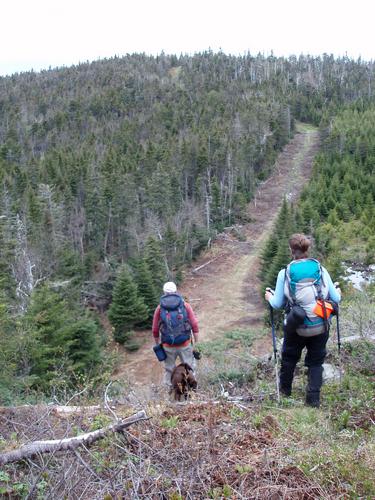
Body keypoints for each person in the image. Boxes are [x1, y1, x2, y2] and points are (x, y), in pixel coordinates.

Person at [264, 234, 341, 407]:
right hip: (320, 324)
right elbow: (336, 298)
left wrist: (269, 296)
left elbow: (277, 303)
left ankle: (284, 394)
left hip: (296, 324)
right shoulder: (321, 269)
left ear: (291, 251)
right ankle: (313, 400)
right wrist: (337, 290)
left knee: (289, 359)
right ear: (307, 250)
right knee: (316, 362)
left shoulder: (285, 272)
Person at [152, 281, 199, 389]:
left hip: (167, 346)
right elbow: (195, 325)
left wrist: (158, 344)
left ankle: (171, 395)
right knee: (189, 368)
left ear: (164, 292)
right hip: (185, 344)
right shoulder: (185, 305)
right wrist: (196, 343)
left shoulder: (160, 308)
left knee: (169, 370)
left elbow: (155, 329)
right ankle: (192, 393)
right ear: (175, 291)